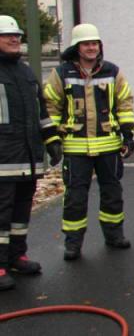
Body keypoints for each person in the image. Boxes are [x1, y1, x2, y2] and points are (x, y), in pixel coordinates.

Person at [44, 24, 134, 261]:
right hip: (76, 147)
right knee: (75, 198)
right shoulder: (61, 74)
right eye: (86, 44)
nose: (91, 47)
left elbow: (125, 102)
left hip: (108, 145)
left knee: (112, 193)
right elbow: (50, 106)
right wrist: (52, 138)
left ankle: (114, 236)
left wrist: (128, 134)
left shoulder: (112, 71)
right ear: (77, 47)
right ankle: (73, 244)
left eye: (95, 43)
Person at [0, 16, 61, 290]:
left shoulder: (26, 73)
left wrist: (52, 140)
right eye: (7, 35)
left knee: (21, 212)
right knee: (1, 214)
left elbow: (41, 112)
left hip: (27, 158)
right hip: (3, 159)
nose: (15, 39)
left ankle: (16, 257)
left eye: (17, 35)